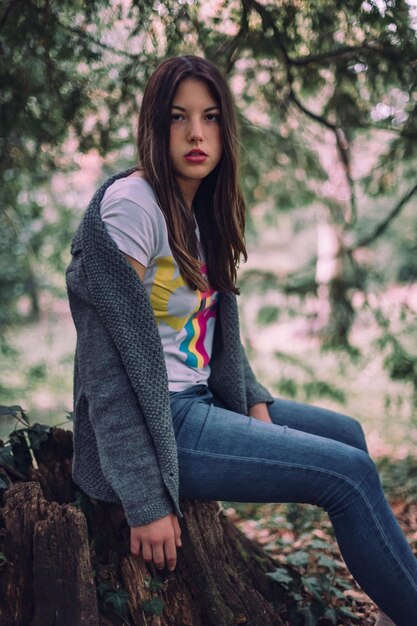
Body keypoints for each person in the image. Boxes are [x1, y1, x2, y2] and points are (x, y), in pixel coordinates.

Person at [66, 55, 417, 626]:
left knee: (348, 436)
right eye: (178, 118)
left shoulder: (201, 204)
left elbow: (213, 324)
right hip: (165, 424)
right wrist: (145, 499)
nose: (196, 134)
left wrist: (250, 394)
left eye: (209, 118)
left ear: (226, 128)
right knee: (348, 477)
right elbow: (103, 366)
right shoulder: (133, 206)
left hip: (200, 399)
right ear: (154, 126)